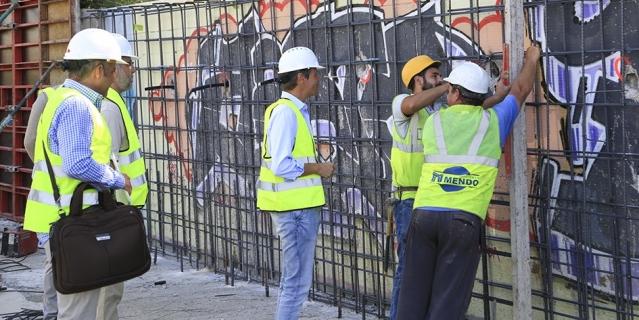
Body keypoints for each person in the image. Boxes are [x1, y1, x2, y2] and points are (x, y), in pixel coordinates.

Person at [396, 45, 541, 320]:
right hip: (462, 221)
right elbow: (520, 91)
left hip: (424, 216)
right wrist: (532, 58)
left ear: (455, 94)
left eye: (450, 88)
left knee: (411, 301)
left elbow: (464, 112)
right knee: (447, 304)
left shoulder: (434, 122)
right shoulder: (494, 122)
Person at [22, 28, 131, 320]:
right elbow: (77, 163)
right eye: (112, 71)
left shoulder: (61, 98)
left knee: (71, 305)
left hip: (63, 220)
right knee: (78, 311)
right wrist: (118, 179)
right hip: (72, 224)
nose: (114, 79)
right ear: (98, 70)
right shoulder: (78, 107)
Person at [256, 46, 335, 320]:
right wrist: (319, 169)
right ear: (302, 77)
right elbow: (281, 165)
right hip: (295, 210)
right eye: (315, 74)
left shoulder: (291, 111)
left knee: (295, 280)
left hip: (296, 208)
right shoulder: (286, 113)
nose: (318, 79)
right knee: (296, 282)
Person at [93, 33, 148, 320]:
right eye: (129, 63)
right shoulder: (110, 107)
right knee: (109, 292)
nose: (133, 70)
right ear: (112, 66)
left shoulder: (110, 102)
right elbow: (107, 167)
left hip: (114, 211)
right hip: (114, 211)